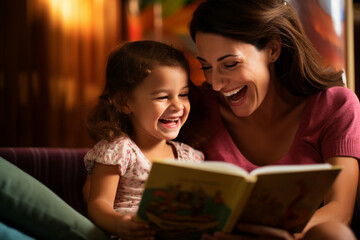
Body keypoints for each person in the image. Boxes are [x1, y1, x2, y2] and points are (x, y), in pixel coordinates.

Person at [181, 0, 360, 239]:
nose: (216, 83)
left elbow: (339, 210)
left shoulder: (335, 105)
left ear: (273, 49)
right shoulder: (191, 106)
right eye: (206, 67)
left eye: (230, 64)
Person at [83, 40, 204, 239]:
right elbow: (98, 204)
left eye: (183, 94)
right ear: (125, 102)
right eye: (162, 97)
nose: (178, 106)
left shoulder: (191, 157)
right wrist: (118, 224)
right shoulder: (119, 150)